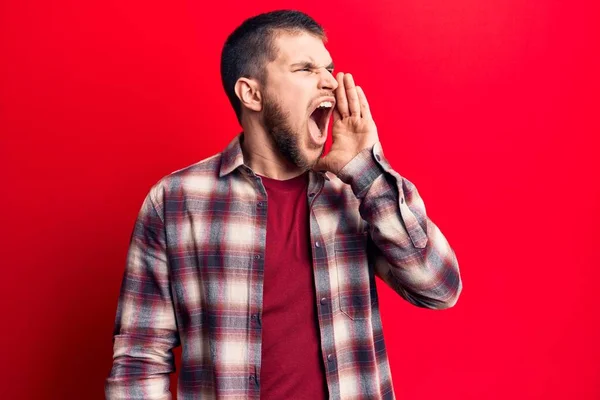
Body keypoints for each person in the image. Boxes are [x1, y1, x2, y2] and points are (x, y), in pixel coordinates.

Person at [105, 9, 462, 400]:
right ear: (251, 93)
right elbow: (140, 358)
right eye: (306, 69)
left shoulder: (355, 195)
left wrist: (367, 172)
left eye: (329, 68)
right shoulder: (175, 202)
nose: (331, 82)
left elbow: (439, 288)